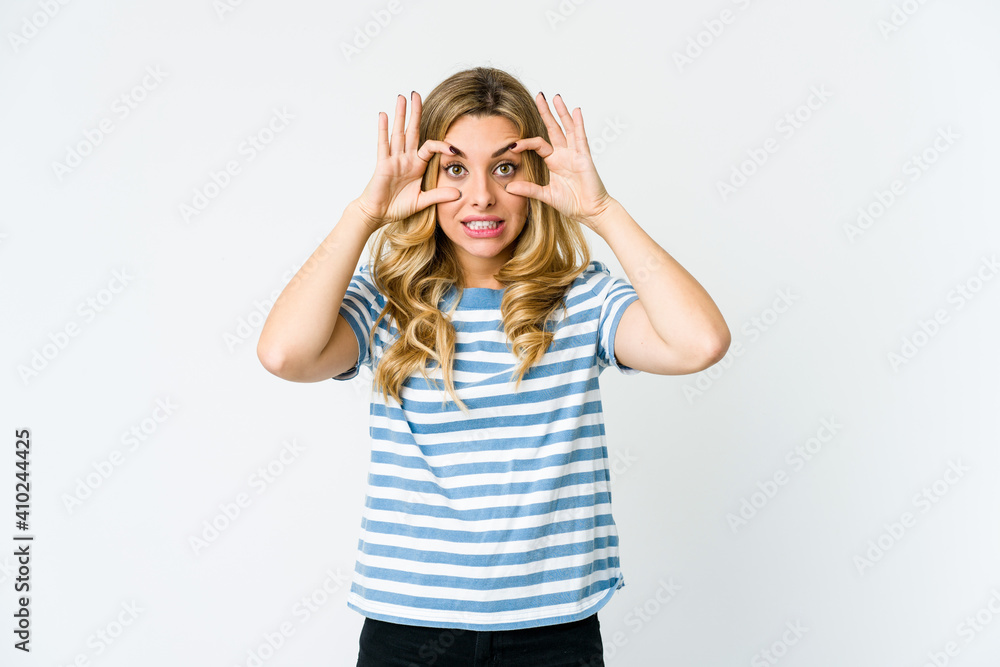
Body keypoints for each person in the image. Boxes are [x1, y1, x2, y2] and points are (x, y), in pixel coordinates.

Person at [257, 66, 730, 667]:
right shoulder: (385, 301)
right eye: (456, 169)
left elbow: (699, 344)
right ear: (425, 177)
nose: (481, 195)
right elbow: (284, 355)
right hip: (409, 629)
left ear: (535, 176)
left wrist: (602, 209)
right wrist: (365, 213)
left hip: (552, 633)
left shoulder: (582, 298)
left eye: (505, 168)